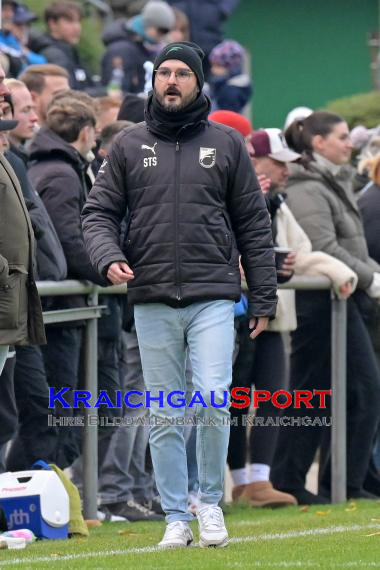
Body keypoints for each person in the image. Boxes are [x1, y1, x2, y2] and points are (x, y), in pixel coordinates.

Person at [82, 41, 277, 548]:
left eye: (181, 74)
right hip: (149, 297)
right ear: (153, 82)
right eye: (163, 73)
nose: (171, 81)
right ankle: (175, 515)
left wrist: (263, 296)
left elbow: (254, 224)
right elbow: (97, 213)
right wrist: (107, 257)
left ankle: (208, 504)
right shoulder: (127, 146)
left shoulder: (227, 144)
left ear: (197, 83)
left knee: (212, 399)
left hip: (213, 292)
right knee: (167, 410)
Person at [270, 111, 380, 503]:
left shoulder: (327, 182)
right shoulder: (309, 187)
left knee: (325, 392)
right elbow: (323, 246)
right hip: (321, 300)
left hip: (339, 295)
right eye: (342, 137)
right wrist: (372, 278)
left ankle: (323, 480)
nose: (349, 144)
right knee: (344, 390)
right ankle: (332, 483)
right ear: (318, 142)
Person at [0, 61, 46, 450]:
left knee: (5, 417)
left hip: (9, 307)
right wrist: (6, 273)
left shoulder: (9, 162)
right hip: (4, 300)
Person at [101, 1, 176, 94]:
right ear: (148, 25)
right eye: (161, 30)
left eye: (166, 31)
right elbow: (115, 93)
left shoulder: (147, 48)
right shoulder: (122, 50)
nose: (163, 36)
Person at [28, 2, 92, 91]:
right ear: (53, 24)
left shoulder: (71, 51)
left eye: (78, 21)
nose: (77, 27)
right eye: (70, 21)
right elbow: (69, 93)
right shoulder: (53, 55)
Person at [209, 39, 252, 113]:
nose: (213, 70)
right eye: (212, 65)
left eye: (218, 66)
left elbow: (226, 119)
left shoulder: (231, 92)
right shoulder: (222, 84)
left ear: (231, 67)